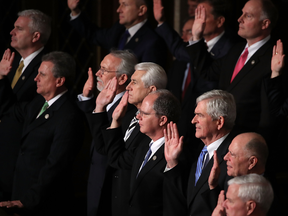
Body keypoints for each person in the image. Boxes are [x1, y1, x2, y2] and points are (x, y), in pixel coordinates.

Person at [0, 51, 85, 216]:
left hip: (43, 203)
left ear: (59, 81)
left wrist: (28, 200)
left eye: (42, 74)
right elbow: (9, 109)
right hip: (21, 193)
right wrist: (2, 78)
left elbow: (55, 166)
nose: (35, 78)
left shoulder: (69, 116)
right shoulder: (38, 102)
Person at [187, 0, 279, 137]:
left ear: (265, 24)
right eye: (242, 13)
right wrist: (196, 37)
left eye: (248, 16)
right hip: (223, 135)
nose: (239, 19)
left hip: (247, 138)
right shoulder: (235, 50)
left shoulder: (274, 58)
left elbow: (271, 110)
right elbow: (208, 72)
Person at [86, 62, 167, 216]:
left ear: (152, 90)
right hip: (113, 200)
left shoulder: (153, 127)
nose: (128, 87)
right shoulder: (129, 114)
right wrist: (100, 107)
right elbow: (103, 148)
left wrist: (115, 122)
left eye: (134, 82)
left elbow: (120, 159)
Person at [77, 50, 138, 216]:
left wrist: (98, 107)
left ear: (122, 78)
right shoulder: (108, 102)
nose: (98, 73)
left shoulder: (128, 110)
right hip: (95, 183)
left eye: (104, 70)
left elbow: (104, 145)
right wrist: (90, 100)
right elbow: (97, 130)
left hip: (110, 188)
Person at [102, 89, 181, 216]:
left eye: (144, 113)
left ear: (162, 120)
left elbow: (173, 203)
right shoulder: (144, 146)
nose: (138, 116)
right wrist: (115, 121)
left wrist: (173, 164)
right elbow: (117, 159)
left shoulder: (176, 155)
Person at [0, 9, 51, 201]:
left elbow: (22, 112)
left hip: (22, 161)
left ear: (36, 36)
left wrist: (1, 79)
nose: (12, 32)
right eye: (13, 27)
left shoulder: (46, 67)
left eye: (19, 28)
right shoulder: (11, 63)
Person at [164, 89, 239, 216]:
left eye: (200, 115)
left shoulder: (233, 157)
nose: (193, 121)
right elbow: (188, 198)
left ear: (219, 122)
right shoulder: (199, 149)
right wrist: (172, 163)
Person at [67, 0, 167, 67]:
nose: (118, 10)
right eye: (119, 4)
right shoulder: (118, 29)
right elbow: (94, 34)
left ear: (141, 10)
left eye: (125, 4)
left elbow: (147, 81)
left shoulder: (152, 41)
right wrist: (75, 11)